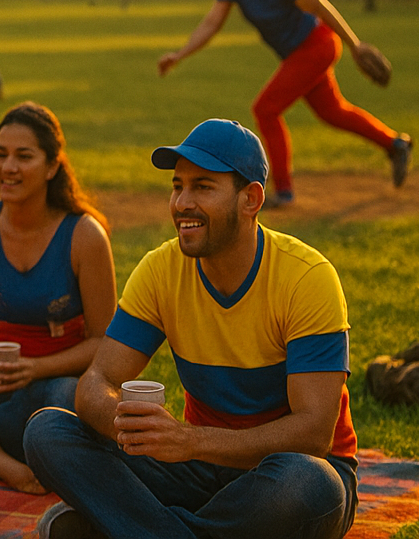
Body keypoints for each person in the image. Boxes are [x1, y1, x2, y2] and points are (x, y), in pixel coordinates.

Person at [23, 118, 360, 539]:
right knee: (47, 430)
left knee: (311, 484)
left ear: (250, 199)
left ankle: (120, 525)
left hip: (284, 471)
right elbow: (96, 382)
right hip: (197, 470)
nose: (182, 202)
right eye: (177, 185)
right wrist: (134, 428)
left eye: (203, 187)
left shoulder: (306, 278)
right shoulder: (161, 269)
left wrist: (188, 441)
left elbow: (313, 433)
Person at [159, 0, 411, 207]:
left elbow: (317, 4)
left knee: (266, 109)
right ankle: (395, 144)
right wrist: (180, 54)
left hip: (317, 45)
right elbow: (212, 23)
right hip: (298, 54)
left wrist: (355, 44)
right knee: (333, 112)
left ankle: (284, 190)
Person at [0, 103, 116, 494]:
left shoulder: (84, 235)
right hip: (0, 380)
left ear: (52, 166)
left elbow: (105, 343)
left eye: (24, 156)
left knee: (64, 402)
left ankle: (1, 449)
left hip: (61, 380)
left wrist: (36, 367)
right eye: (0, 155)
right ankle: (11, 467)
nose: (8, 167)